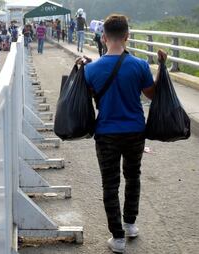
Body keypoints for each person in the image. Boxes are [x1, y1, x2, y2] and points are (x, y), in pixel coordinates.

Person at [81, 14, 167, 253]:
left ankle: (117, 238)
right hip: (135, 132)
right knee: (133, 176)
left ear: (104, 37)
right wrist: (161, 68)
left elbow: (84, 97)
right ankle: (130, 225)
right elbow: (152, 95)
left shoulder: (92, 69)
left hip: (106, 133)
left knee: (110, 185)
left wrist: (80, 69)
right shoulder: (139, 65)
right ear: (127, 37)